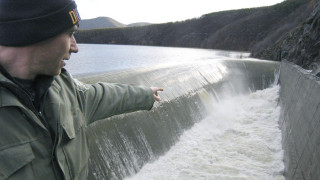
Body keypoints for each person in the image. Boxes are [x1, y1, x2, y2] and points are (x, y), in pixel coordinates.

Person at [0, 0, 163, 179]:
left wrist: (146, 94)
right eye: (70, 34)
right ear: (36, 33)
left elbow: (104, 95)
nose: (75, 47)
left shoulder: (65, 88)